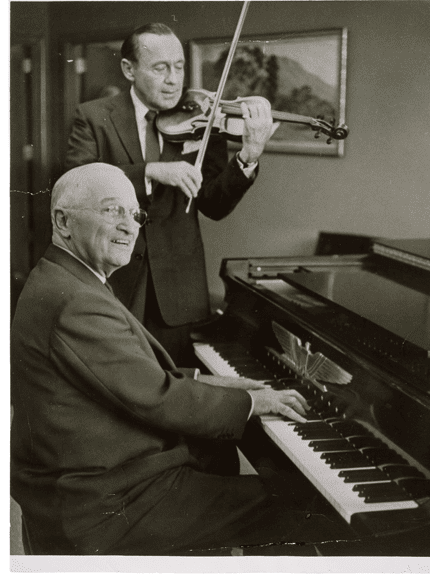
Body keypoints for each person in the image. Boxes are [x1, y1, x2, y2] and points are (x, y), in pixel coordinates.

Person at [11, 163, 338, 556]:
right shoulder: (76, 301)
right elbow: (156, 397)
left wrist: (214, 382)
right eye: (111, 210)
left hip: (92, 477)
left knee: (222, 455)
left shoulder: (66, 278)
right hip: (105, 503)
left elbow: (129, 375)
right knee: (301, 504)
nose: (129, 226)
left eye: (135, 215)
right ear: (63, 221)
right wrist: (253, 402)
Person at [65, 22, 274, 365]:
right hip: (113, 281)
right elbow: (76, 184)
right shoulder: (93, 116)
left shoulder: (203, 118)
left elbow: (214, 204)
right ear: (129, 69)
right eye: (160, 68)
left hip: (177, 291)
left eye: (179, 67)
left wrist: (248, 155)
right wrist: (150, 170)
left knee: (175, 384)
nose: (174, 80)